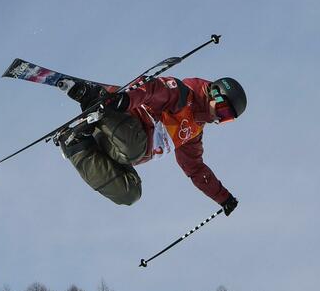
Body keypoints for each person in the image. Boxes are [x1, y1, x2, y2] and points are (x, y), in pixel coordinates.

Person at [54, 75, 245, 214]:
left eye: (227, 119)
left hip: (119, 148)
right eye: (223, 110)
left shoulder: (194, 133)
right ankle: (94, 100)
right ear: (215, 93)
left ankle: (75, 143)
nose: (220, 118)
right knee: (134, 149)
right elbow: (153, 88)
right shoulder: (183, 95)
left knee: (130, 194)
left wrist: (223, 197)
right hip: (123, 123)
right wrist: (125, 100)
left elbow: (196, 169)